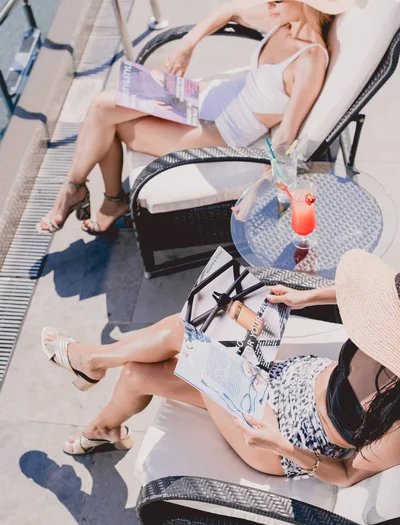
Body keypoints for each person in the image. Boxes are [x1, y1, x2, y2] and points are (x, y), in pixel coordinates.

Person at [41, 249, 400, 487]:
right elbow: (359, 293)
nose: (377, 322)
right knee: (138, 375)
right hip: (278, 380)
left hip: (278, 435)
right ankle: (105, 430)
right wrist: (306, 297)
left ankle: (90, 362)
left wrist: (283, 447)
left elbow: (349, 474)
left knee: (181, 332)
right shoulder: (384, 323)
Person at [36, 0, 354, 235]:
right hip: (203, 97)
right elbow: (228, 11)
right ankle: (100, 197)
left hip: (220, 131)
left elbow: (286, 137)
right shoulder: (282, 20)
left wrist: (262, 187)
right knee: (101, 107)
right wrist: (189, 44)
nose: (269, 1)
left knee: (107, 115)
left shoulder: (310, 59)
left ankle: (86, 193)